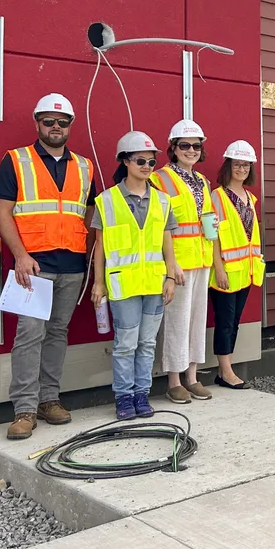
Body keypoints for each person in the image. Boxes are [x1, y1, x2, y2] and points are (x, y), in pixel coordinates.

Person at [0, 93, 95, 440]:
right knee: (29, 335)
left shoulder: (84, 166)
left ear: (70, 126)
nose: (55, 127)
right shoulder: (16, 160)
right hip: (33, 264)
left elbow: (90, 212)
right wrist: (20, 255)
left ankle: (49, 399)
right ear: (37, 123)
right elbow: (2, 211)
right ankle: (24, 407)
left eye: (62, 122)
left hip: (72, 263)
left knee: (57, 333)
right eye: (48, 121)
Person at [90, 132, 180, 419]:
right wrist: (98, 282)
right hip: (123, 285)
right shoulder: (106, 201)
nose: (147, 166)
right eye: (140, 160)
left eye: (151, 161)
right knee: (126, 344)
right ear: (125, 162)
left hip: (154, 283)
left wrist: (170, 277)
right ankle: (124, 397)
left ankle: (142, 395)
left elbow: (167, 242)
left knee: (147, 343)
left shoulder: (163, 201)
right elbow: (100, 246)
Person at [152, 120, 215, 404]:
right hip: (177, 263)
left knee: (196, 322)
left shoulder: (202, 181)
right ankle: (174, 381)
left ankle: (193, 376)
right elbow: (158, 227)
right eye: (185, 145)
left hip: (201, 260)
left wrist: (214, 259)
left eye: (196, 146)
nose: (191, 150)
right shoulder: (159, 179)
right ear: (173, 149)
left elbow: (209, 223)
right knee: (176, 322)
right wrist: (170, 264)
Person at [208, 140, 265, 389]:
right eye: (237, 164)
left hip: (246, 271)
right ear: (228, 166)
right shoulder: (217, 196)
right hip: (225, 271)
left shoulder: (250, 198)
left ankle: (225, 370)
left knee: (235, 321)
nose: (241, 168)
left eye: (245, 164)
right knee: (225, 321)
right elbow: (213, 236)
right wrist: (218, 267)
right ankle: (226, 371)